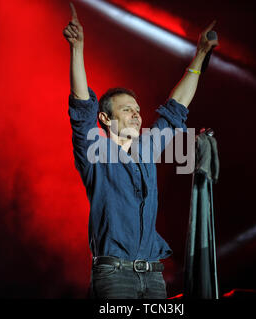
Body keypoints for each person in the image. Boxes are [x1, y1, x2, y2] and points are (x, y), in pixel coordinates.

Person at [63, 2, 218, 299]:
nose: (136, 114)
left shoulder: (147, 148)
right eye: (127, 110)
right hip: (114, 276)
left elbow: (177, 108)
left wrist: (200, 54)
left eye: (137, 110)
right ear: (106, 118)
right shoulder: (95, 153)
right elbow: (82, 109)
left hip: (154, 276)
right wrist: (77, 49)